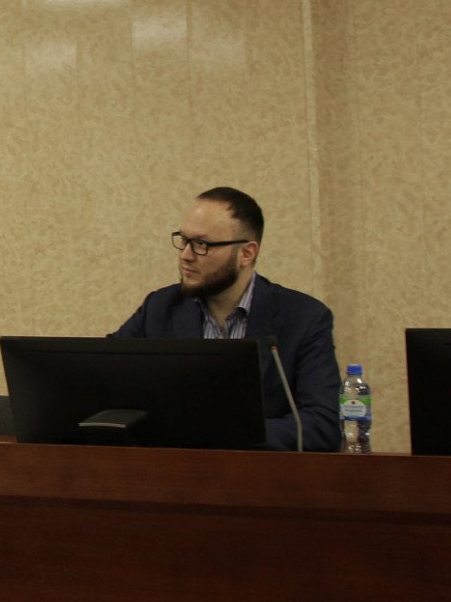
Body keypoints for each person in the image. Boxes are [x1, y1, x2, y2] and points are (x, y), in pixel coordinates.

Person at [111, 187, 341, 451]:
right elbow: (105, 381)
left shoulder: (304, 318)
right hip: (172, 471)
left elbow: (322, 425)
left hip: (259, 472)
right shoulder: (160, 308)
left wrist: (226, 432)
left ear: (246, 253)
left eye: (202, 245)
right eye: (183, 240)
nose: (186, 255)